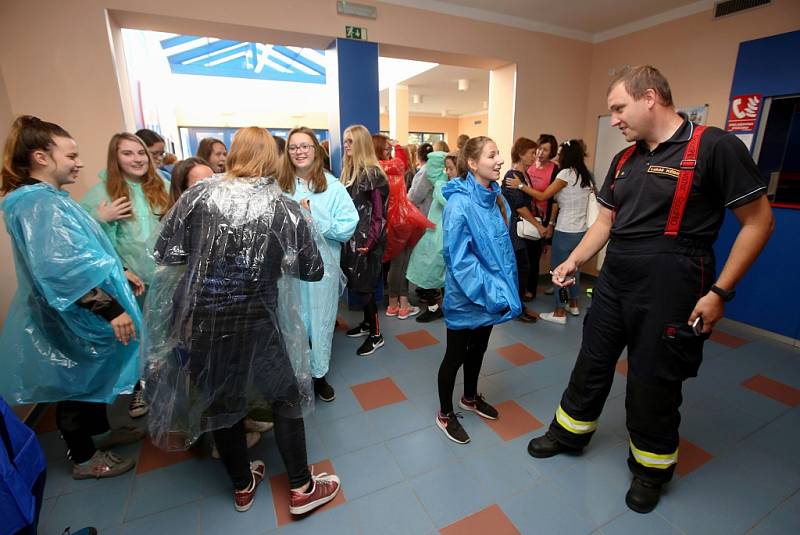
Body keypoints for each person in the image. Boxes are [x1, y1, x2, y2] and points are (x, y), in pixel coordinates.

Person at [526, 66, 774, 514]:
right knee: (592, 361)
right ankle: (569, 434)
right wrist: (574, 259)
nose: (615, 119)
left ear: (651, 97)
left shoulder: (715, 147)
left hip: (675, 281)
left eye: (619, 108)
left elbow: (759, 222)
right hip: (616, 277)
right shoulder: (625, 160)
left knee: (653, 378)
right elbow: (606, 221)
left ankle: (651, 468)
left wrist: (719, 292)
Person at [143, 126, 341, 514]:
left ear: (234, 155)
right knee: (285, 400)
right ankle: (301, 487)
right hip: (257, 322)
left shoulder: (198, 196)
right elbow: (313, 270)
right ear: (272, 158)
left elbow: (166, 252)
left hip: (199, 322)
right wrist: (298, 232)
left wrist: (210, 259)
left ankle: (242, 485)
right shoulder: (283, 208)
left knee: (221, 404)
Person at [0, 116, 144, 481]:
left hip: (78, 308)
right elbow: (61, 270)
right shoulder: (38, 204)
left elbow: (80, 251)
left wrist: (118, 269)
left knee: (86, 378)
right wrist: (111, 309)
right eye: (71, 155)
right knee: (74, 383)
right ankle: (84, 458)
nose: (79, 163)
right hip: (76, 311)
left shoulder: (48, 199)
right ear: (40, 157)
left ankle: (99, 436)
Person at [435, 136, 521, 444]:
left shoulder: (495, 197)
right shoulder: (459, 204)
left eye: (499, 154)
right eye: (492, 155)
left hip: (491, 293)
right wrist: (496, 292)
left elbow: (500, 250)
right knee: (455, 355)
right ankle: (445, 414)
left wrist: (502, 288)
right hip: (467, 295)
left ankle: (469, 397)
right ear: (472, 163)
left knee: (479, 348)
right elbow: (461, 262)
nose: (499, 160)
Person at [80, 132, 171, 419]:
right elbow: (84, 244)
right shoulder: (100, 194)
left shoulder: (163, 186)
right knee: (137, 340)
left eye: (140, 153)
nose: (136, 159)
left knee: (168, 336)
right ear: (115, 158)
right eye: (127, 153)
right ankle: (139, 391)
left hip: (166, 278)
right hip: (130, 282)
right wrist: (99, 221)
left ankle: (171, 389)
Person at [279, 127, 358, 402]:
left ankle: (319, 375)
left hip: (322, 269)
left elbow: (348, 227)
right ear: (287, 153)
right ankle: (296, 376)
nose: (300, 152)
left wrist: (314, 220)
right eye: (294, 147)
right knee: (292, 321)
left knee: (320, 321)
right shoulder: (279, 185)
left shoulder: (332, 186)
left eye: (305, 146)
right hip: (287, 269)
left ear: (316, 150)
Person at [510, 139, 594, 323]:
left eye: (560, 153)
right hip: (581, 232)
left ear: (567, 155)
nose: (557, 157)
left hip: (565, 232)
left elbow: (543, 196)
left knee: (560, 273)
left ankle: (559, 312)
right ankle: (573, 305)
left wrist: (521, 186)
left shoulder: (565, 173)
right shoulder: (585, 174)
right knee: (574, 270)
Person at [340, 125, 390, 356]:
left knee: (367, 287)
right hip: (353, 239)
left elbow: (379, 216)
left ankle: (376, 334)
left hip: (368, 241)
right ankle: (368, 324)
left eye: (350, 141)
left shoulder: (373, 174)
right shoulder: (351, 172)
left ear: (361, 143)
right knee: (359, 286)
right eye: (345, 141)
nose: (346, 145)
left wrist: (369, 243)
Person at [374, 134, 424, 320]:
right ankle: (400, 305)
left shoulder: (374, 168)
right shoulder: (389, 166)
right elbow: (403, 162)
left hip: (386, 221)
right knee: (401, 263)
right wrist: (399, 147)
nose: (389, 150)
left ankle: (396, 304)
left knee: (397, 263)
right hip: (400, 219)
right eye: (386, 148)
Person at [502, 137, 547, 323]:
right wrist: (538, 226)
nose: (534, 157)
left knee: (522, 269)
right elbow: (519, 206)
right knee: (520, 269)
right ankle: (516, 307)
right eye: (531, 153)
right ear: (520, 154)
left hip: (520, 230)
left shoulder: (524, 175)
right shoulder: (512, 176)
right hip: (514, 231)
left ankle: (516, 305)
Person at [406, 151, 450, 323]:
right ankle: (435, 307)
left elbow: (443, 198)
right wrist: (442, 157)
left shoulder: (448, 185)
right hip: (434, 230)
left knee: (444, 271)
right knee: (427, 267)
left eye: (452, 168)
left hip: (444, 232)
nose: (449, 171)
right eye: (447, 167)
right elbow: (433, 169)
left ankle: (444, 307)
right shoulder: (442, 180)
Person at [525, 134, 559, 299]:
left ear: (552, 152)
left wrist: (550, 224)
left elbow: (555, 200)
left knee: (534, 256)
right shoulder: (529, 165)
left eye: (545, 150)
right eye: (539, 148)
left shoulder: (555, 170)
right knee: (522, 255)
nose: (540, 152)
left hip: (542, 218)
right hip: (524, 216)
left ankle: (531, 290)